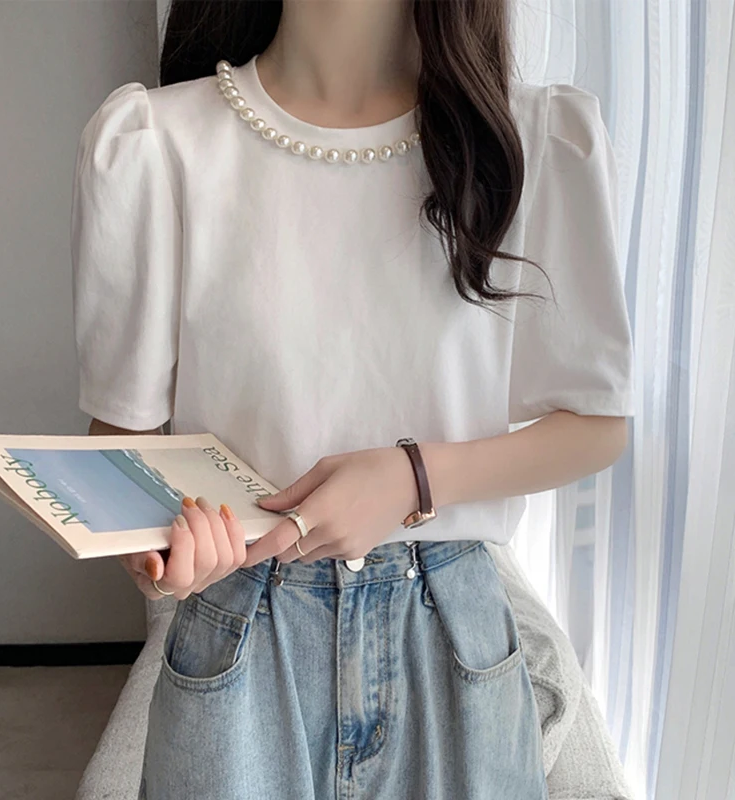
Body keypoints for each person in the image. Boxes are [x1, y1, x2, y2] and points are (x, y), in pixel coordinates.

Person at [70, 0, 635, 797]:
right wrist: (162, 553)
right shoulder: (156, 145)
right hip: (241, 617)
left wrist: (411, 477)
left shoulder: (534, 139)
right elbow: (122, 446)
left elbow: (596, 425)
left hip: (451, 621)